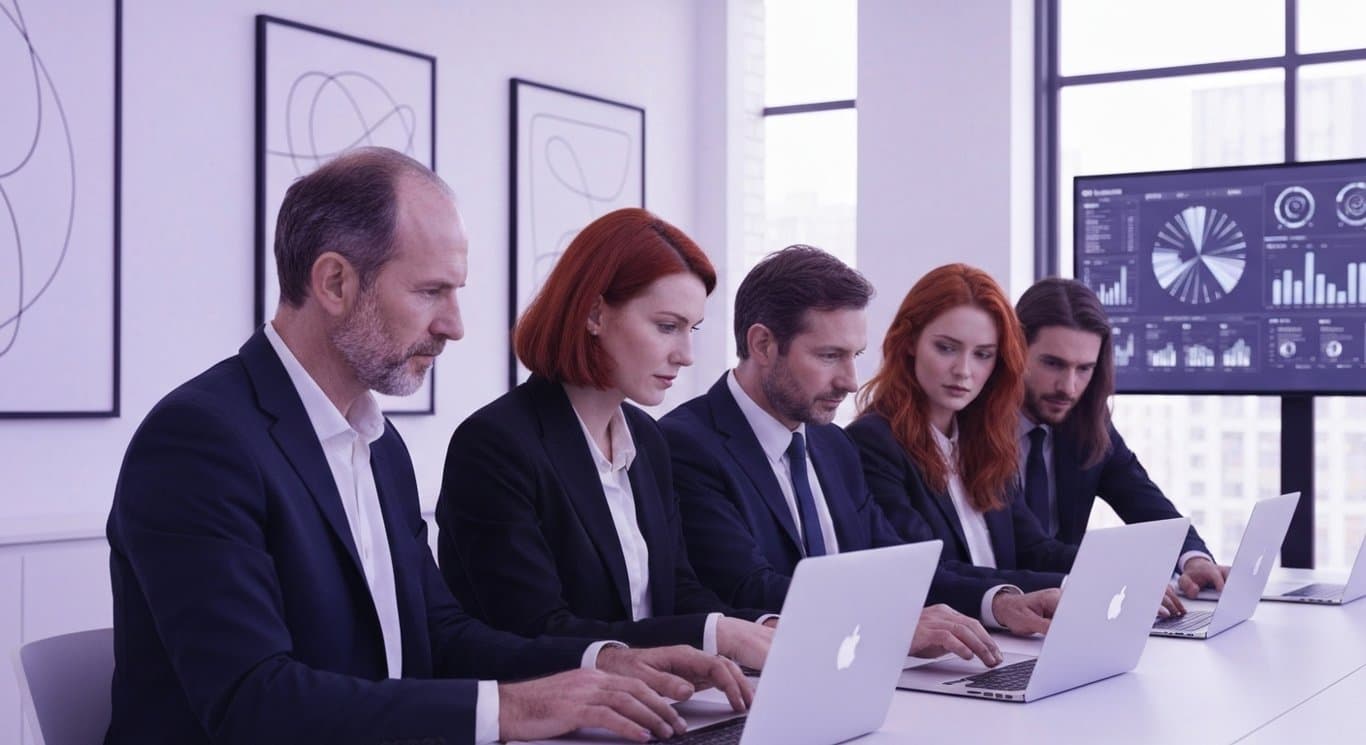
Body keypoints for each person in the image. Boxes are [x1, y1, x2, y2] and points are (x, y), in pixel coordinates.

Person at [104, 149, 749, 745]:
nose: (455, 325)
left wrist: (606, 661)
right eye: (430, 291)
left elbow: (441, 635)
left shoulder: (381, 448)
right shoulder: (199, 442)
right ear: (334, 284)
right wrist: (516, 710)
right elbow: (252, 700)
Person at [662, 246, 1064, 656]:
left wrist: (999, 602)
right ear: (763, 345)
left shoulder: (832, 445)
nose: (851, 382)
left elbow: (898, 566)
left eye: (854, 356)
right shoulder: (686, 444)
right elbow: (750, 586)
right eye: (829, 356)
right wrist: (892, 626)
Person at [436, 208, 774, 671]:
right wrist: (716, 633)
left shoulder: (648, 441)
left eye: (691, 329)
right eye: (667, 326)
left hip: (654, 703)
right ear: (595, 314)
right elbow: (536, 627)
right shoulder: (496, 445)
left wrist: (760, 624)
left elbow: (676, 590)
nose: (686, 355)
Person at [849, 264, 1078, 584]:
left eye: (982, 354)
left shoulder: (986, 438)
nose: (964, 371)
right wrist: (1058, 586)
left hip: (1008, 629)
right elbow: (927, 570)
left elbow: (1034, 548)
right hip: (955, 628)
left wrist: (1116, 570)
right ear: (910, 341)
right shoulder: (873, 442)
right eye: (946, 348)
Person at [1014, 277, 1227, 600]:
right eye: (1053, 364)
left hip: (1073, 607)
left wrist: (1193, 559)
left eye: (1084, 369)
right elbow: (1024, 548)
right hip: (1003, 610)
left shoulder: (1085, 422)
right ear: (1015, 351)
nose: (1068, 387)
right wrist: (1124, 574)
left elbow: (1147, 504)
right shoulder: (972, 430)